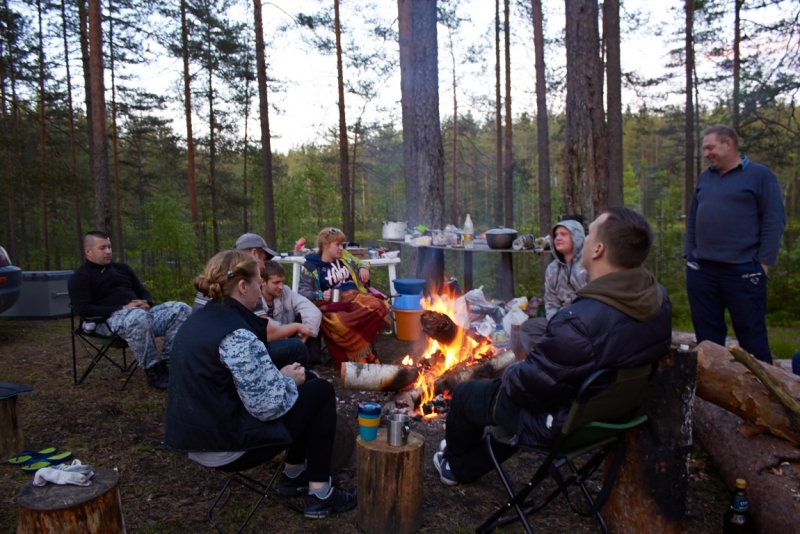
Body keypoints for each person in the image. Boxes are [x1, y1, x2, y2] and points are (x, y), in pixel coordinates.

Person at [433, 208, 672, 485]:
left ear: (597, 249)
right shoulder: (657, 299)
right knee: (509, 401)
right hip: (609, 415)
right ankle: (466, 459)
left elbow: (525, 388)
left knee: (465, 393)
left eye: (590, 232)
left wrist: (510, 370)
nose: (585, 237)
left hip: (561, 422)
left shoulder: (581, 321)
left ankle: (456, 463)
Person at [165, 250, 356, 519]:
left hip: (196, 436)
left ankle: (294, 475)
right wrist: (287, 380)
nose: (260, 287)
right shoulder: (236, 334)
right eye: (258, 282)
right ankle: (321, 495)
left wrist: (283, 380)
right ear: (242, 287)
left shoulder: (199, 319)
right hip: (225, 446)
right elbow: (267, 407)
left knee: (308, 384)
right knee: (320, 391)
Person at [684, 124, 786, 364]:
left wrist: (763, 264)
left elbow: (774, 220)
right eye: (704, 148)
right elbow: (693, 217)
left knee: (752, 337)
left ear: (728, 143)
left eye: (710, 147)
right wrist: (689, 254)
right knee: (707, 340)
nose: (706, 153)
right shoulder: (706, 176)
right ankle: (711, 393)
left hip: (743, 270)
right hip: (702, 270)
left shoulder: (761, 176)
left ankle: (765, 393)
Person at [68, 231, 191, 390]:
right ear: (88, 251)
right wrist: (123, 308)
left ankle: (169, 362)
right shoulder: (80, 277)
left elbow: (143, 291)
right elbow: (84, 310)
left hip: (141, 316)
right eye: (102, 248)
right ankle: (152, 371)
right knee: (138, 317)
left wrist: (146, 302)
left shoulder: (122, 268)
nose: (108, 251)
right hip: (108, 321)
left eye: (109, 247)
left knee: (181, 308)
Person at [193, 233, 313, 374]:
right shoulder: (246, 285)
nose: (264, 267)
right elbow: (265, 333)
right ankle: (288, 386)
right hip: (225, 357)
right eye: (264, 259)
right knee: (296, 347)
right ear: (254, 253)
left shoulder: (216, 277)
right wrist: (296, 327)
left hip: (203, 354)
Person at [298, 228, 390, 369]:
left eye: (342, 244)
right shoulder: (311, 266)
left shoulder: (345, 256)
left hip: (355, 297)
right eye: (338, 245)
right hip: (333, 303)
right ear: (326, 245)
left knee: (379, 305)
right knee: (339, 321)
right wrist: (321, 295)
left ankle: (363, 354)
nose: (341, 248)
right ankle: (363, 354)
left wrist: (364, 267)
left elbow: (361, 262)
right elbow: (303, 292)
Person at [519, 219, 590, 351]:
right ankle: (543, 362)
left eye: (564, 234)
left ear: (577, 237)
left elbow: (596, 303)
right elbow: (551, 302)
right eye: (556, 235)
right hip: (560, 320)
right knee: (528, 328)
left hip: (586, 321)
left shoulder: (589, 265)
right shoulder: (553, 268)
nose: (558, 238)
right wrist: (556, 323)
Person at [261, 261, 324, 361]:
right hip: (265, 346)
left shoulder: (285, 291)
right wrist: (294, 329)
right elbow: (268, 328)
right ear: (263, 282)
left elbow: (311, 310)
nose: (281, 286)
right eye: (276, 282)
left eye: (282, 281)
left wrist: (305, 334)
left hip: (287, 337)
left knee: (310, 322)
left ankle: (311, 365)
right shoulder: (255, 299)